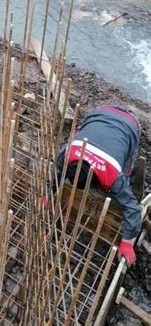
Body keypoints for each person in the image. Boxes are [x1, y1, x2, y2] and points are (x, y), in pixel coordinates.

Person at [55, 104, 142, 265]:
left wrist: (127, 242)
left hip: (130, 124)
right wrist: (48, 194)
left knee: (127, 168)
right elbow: (55, 172)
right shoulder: (68, 153)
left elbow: (133, 208)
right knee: (78, 133)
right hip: (100, 112)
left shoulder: (114, 175)